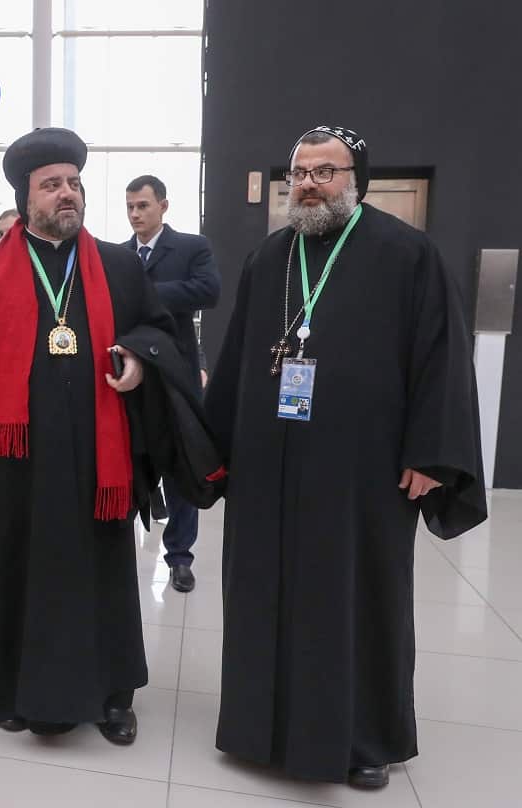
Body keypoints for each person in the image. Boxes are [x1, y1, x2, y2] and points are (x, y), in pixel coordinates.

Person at [204, 125, 486, 789]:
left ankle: (362, 738)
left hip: (363, 470)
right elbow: (242, 354)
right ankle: (258, 728)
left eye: (324, 172)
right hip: (270, 468)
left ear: (355, 180)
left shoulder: (406, 253)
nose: (308, 183)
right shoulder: (269, 257)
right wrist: (216, 450)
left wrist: (432, 453)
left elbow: (443, 360)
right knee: (262, 590)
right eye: (299, 172)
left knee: (354, 597)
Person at [0, 127, 179, 742]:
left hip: (97, 457)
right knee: (10, 570)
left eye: (74, 183)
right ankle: (5, 687)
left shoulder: (118, 264)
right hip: (11, 461)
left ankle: (112, 695)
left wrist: (141, 361)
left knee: (99, 575)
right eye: (52, 185)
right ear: (26, 195)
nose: (67, 194)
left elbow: (162, 332)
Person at [123, 174, 220, 593]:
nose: (135, 214)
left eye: (142, 205)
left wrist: (144, 293)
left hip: (178, 374)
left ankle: (180, 556)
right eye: (129, 207)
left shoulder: (191, 248)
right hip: (134, 376)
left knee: (184, 465)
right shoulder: (120, 255)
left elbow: (208, 290)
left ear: (163, 205)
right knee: (133, 459)